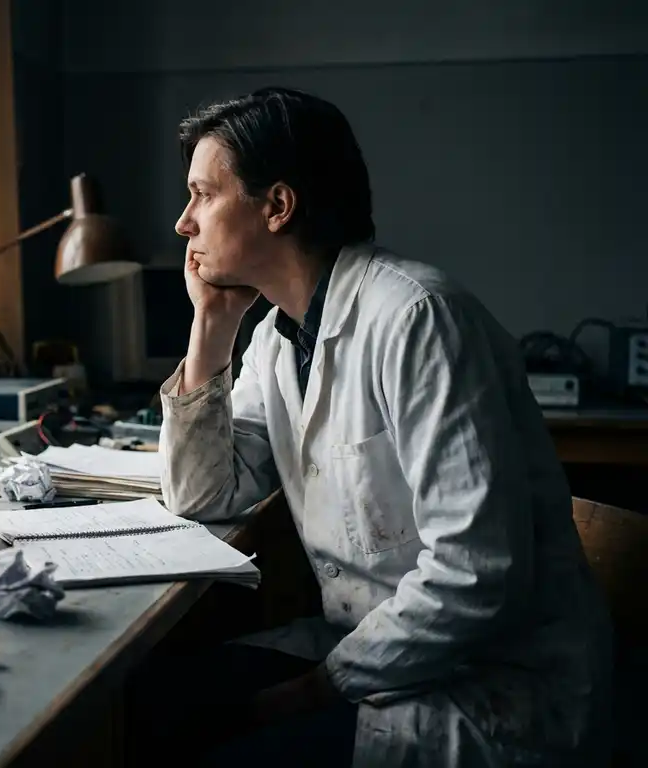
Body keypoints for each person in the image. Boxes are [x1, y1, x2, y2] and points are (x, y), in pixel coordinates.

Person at [137, 87, 614, 766]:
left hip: (489, 685)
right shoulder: (277, 336)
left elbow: (475, 574)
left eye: (203, 195)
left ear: (277, 206)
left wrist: (310, 692)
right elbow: (203, 496)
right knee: (151, 703)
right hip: (375, 648)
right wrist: (211, 325)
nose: (184, 222)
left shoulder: (417, 318)